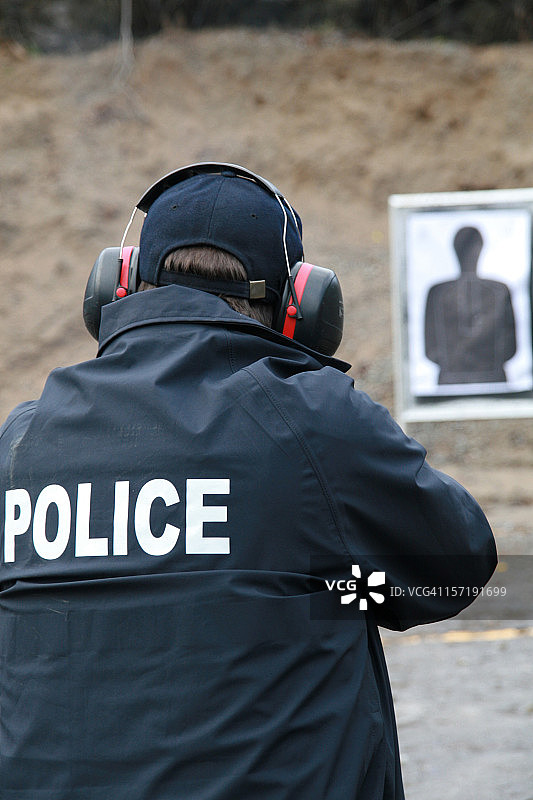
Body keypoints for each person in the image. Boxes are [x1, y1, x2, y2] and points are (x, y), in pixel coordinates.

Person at [0, 163, 496, 800]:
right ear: (302, 307)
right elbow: (459, 564)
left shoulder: (21, 443)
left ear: (118, 285)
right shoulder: (313, 422)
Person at [424, 225, 517, 385]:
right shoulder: (498, 290)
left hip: (461, 379)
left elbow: (432, 349)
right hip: (485, 378)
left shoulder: (438, 292)